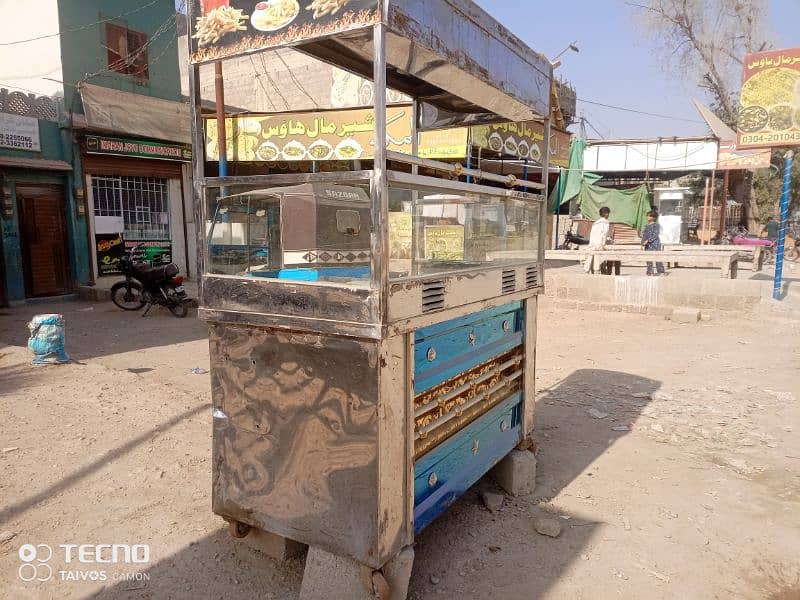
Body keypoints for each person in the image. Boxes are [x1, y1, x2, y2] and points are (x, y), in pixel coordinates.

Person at [584, 206, 613, 273]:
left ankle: (587, 270)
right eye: (608, 213)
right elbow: (604, 234)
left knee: (591, 255)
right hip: (599, 244)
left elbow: (592, 234)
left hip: (592, 244)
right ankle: (598, 270)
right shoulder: (605, 222)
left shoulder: (596, 222)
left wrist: (591, 244)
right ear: (606, 214)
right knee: (600, 257)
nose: (608, 215)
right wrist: (603, 245)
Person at [641, 210, 666, 276]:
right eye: (647, 216)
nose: (647, 217)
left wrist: (648, 240)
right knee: (648, 258)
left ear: (653, 217)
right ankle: (650, 272)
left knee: (657, 257)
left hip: (655, 244)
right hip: (647, 245)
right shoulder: (646, 226)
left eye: (648, 216)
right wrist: (642, 243)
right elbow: (644, 235)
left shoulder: (656, 225)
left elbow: (655, 234)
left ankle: (660, 271)